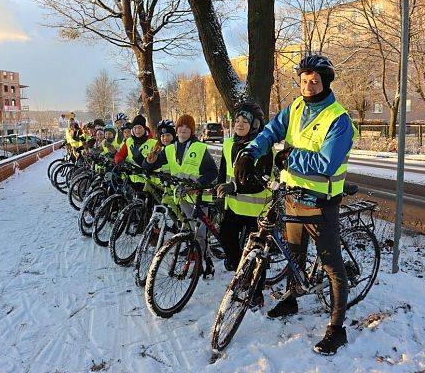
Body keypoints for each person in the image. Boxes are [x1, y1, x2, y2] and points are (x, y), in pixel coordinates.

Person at [234, 54, 357, 356]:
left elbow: (327, 162)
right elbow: (270, 132)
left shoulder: (339, 120)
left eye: (314, 81)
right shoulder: (296, 107)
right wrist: (249, 153)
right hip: (291, 195)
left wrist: (290, 157)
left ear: (325, 82)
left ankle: (337, 328)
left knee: (331, 264)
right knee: (293, 254)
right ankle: (291, 298)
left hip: (320, 203)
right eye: (304, 81)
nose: (308, 86)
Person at [144, 114, 218, 275]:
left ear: (191, 131)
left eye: (187, 128)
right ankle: (197, 255)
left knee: (200, 233)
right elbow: (150, 165)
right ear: (177, 130)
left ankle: (205, 263)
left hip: (199, 196)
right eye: (180, 127)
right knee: (192, 229)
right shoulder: (170, 149)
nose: (183, 130)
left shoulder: (199, 148)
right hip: (182, 196)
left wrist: (198, 184)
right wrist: (150, 160)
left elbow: (212, 172)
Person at [216, 103, 273, 281]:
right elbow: (223, 173)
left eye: (245, 121)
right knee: (225, 237)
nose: (239, 124)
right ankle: (241, 270)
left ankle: (256, 291)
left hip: (257, 210)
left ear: (255, 125)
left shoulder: (263, 148)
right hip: (234, 206)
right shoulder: (228, 144)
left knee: (257, 252)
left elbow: (260, 181)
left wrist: (234, 187)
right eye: (237, 120)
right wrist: (217, 190)